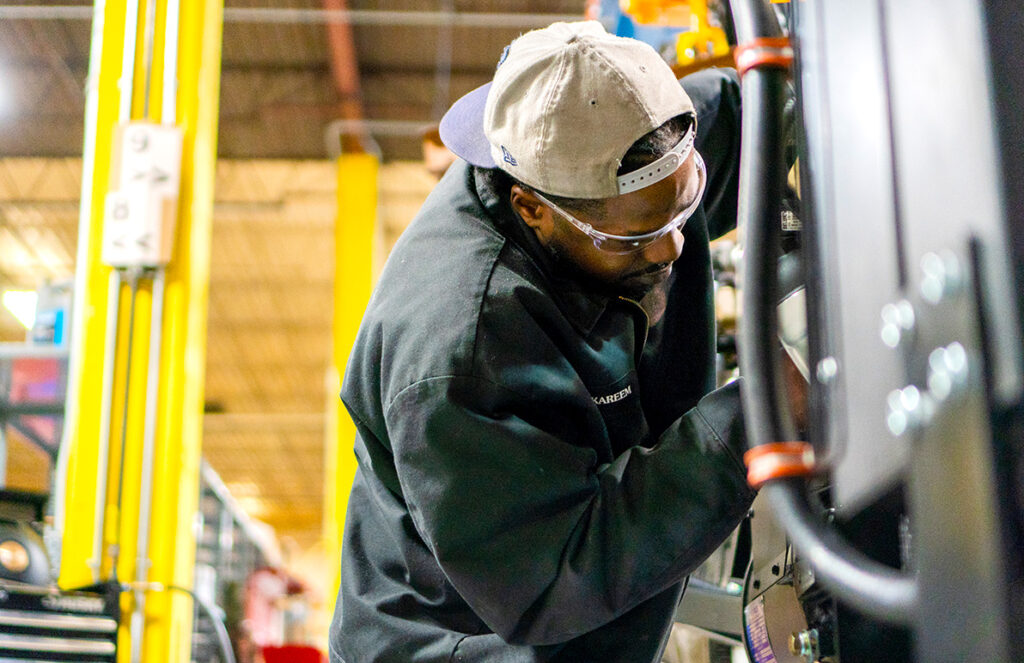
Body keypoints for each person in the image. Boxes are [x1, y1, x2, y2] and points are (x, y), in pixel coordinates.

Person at [330, 21, 754, 663]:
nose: (671, 247)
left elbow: (765, 117)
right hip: (471, 636)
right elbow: (556, 573)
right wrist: (755, 421)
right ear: (533, 208)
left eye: (683, 206)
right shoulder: (461, 349)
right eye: (633, 238)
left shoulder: (636, 149)